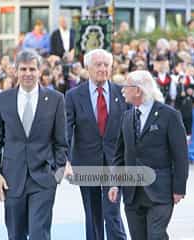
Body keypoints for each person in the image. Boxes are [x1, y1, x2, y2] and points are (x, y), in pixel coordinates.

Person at [0, 49, 67, 240]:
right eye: (23, 69)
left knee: (40, 233)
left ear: (40, 71)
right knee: (16, 234)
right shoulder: (2, 99)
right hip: (12, 179)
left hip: (43, 179)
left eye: (32, 69)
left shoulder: (56, 100)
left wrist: (57, 172)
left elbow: (61, 142)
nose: (28, 73)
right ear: (15, 71)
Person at [108, 70, 188, 240]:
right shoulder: (127, 117)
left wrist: (179, 188)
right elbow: (119, 155)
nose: (122, 91)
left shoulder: (169, 115)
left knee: (156, 236)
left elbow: (180, 155)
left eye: (126, 87)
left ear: (138, 90)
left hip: (160, 191)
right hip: (133, 194)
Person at [65, 49, 128, 240]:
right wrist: (65, 160)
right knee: (93, 213)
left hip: (115, 163)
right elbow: (67, 131)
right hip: (86, 161)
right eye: (98, 65)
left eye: (106, 65)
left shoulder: (122, 93)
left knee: (112, 211)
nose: (102, 69)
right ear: (88, 68)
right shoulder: (74, 96)